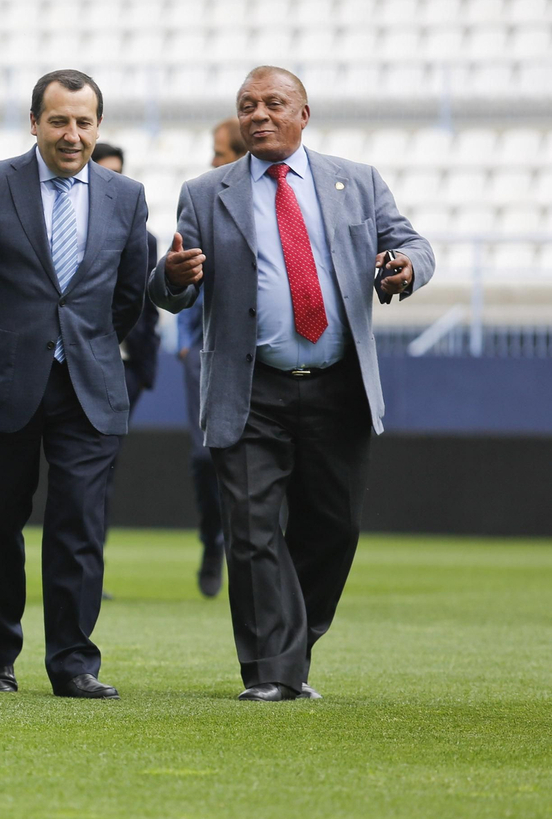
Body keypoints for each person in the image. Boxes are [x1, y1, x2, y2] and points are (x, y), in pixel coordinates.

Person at [151, 66, 433, 701]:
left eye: (274, 103)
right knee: (251, 531)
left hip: (339, 387)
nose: (259, 115)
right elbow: (171, 290)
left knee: (333, 529)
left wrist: (407, 267)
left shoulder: (357, 181)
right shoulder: (205, 192)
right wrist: (173, 276)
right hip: (251, 387)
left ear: (304, 113)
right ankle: (270, 673)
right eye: (247, 105)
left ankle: (292, 650)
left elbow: (412, 244)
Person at [0, 70, 150, 699]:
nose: (71, 134)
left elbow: (129, 297)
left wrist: (83, 347)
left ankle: (73, 663)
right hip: (0, 382)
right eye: (59, 121)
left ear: (98, 126)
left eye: (84, 122)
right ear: (35, 123)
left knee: (79, 525)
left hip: (87, 384)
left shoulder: (126, 196)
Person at [178, 118, 249, 598]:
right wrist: (186, 341)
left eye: (220, 152)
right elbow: (185, 276)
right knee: (207, 458)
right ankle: (212, 541)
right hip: (208, 352)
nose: (212, 161)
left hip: (266, 355)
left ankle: (258, 556)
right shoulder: (205, 198)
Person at [90, 142, 160, 414]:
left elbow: (147, 303)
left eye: (117, 173)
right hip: (76, 361)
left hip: (126, 365)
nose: (111, 180)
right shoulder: (64, 232)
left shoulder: (145, 239)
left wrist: (144, 370)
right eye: (104, 172)